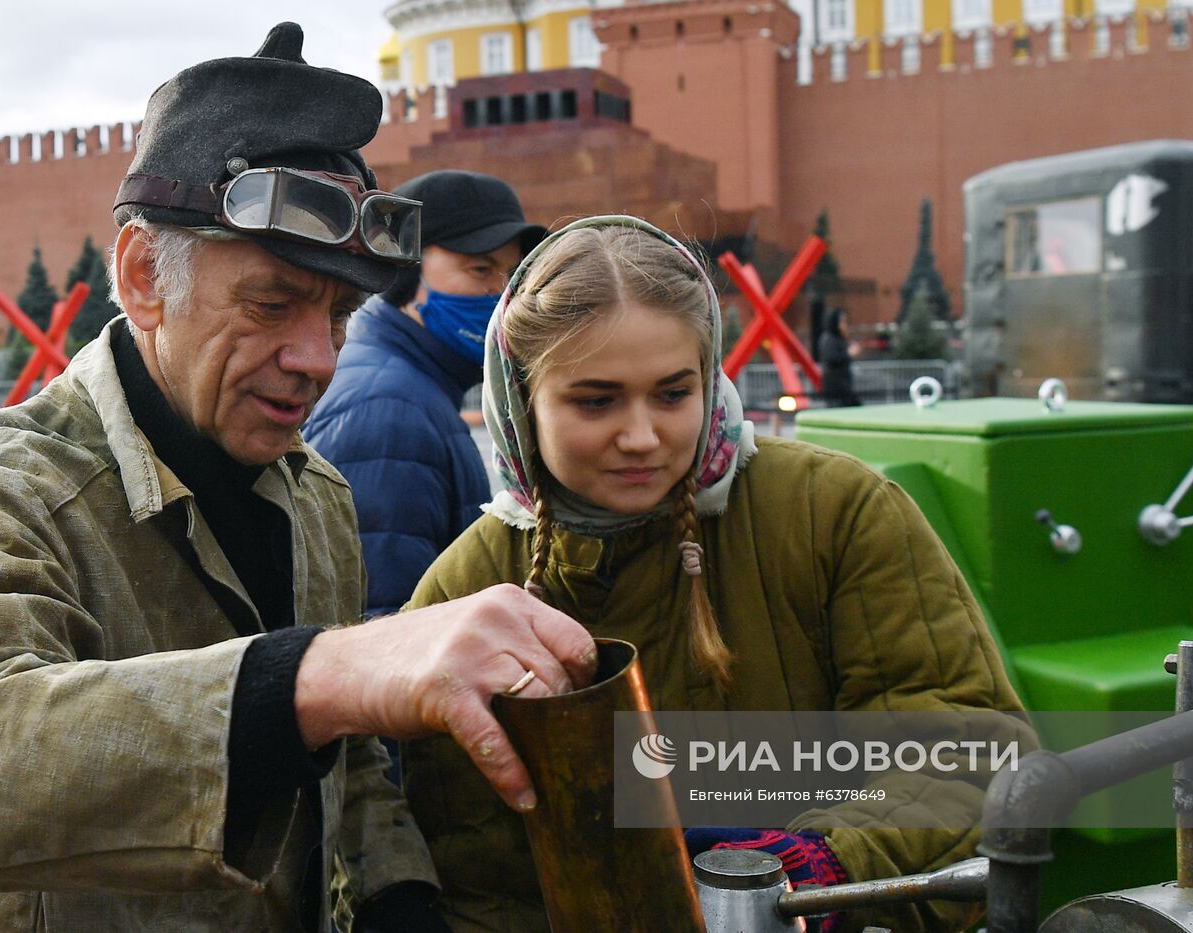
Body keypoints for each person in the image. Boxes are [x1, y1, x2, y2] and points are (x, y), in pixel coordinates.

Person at [0, 24, 594, 932]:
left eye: (340, 314)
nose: (316, 359)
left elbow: (346, 774)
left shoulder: (315, 493)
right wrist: (321, 673)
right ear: (146, 274)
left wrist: (401, 898)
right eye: (272, 302)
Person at [400, 216, 1029, 932]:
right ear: (519, 399)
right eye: (595, 400)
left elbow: (973, 751)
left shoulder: (836, 512)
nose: (641, 437)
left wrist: (831, 863)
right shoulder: (464, 589)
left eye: (673, 393)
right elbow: (472, 876)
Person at [305, 170, 545, 616]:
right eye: (480, 269)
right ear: (405, 272)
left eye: (509, 273)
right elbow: (382, 625)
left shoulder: (415, 386)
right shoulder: (389, 413)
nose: (502, 293)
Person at [818, 307, 861, 407]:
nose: (845, 325)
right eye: (843, 321)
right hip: (835, 388)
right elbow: (832, 357)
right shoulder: (828, 339)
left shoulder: (839, 338)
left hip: (844, 387)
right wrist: (849, 353)